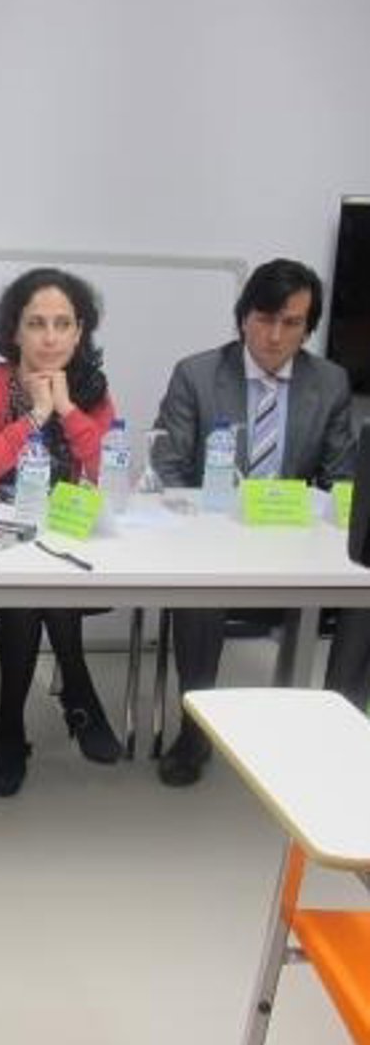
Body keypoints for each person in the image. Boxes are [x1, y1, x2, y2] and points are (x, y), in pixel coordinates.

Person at [153, 257, 359, 786]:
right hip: (214, 539)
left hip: (295, 541)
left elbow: (341, 477)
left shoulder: (330, 382)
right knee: (200, 591)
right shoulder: (198, 374)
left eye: (291, 323)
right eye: (264, 319)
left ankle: (341, 730)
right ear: (243, 316)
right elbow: (169, 467)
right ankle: (196, 731)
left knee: (365, 593)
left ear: (308, 328)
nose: (274, 336)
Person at [0, 267, 123, 797]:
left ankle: (10, 729)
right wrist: (36, 415)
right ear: (14, 330)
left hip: (74, 539)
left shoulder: (93, 391)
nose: (50, 338)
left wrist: (68, 409)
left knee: (46, 585)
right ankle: (75, 696)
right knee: (29, 592)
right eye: (36, 323)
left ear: (80, 332)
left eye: (63, 324)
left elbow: (107, 475)